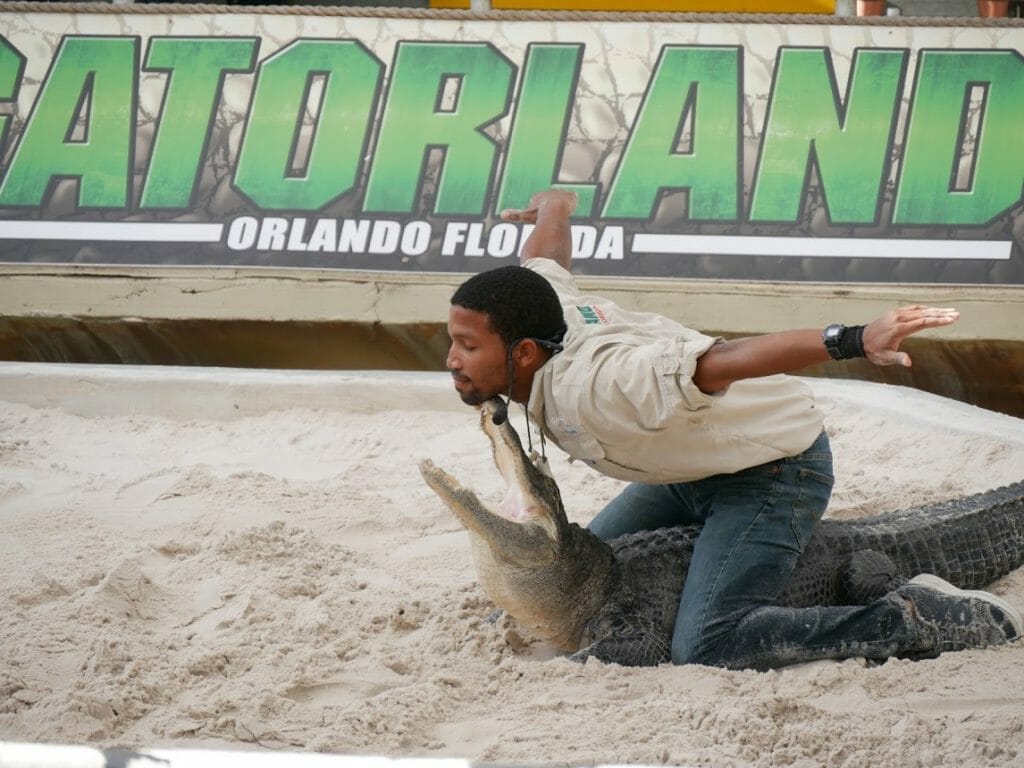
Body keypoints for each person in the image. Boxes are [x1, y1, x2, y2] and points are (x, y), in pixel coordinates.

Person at [445, 188, 1021, 670]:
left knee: (708, 644)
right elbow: (544, 268)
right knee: (588, 573)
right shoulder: (544, 315)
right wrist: (555, 209)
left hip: (774, 468)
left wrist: (853, 339)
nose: (451, 358)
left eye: (467, 346)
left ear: (522, 353)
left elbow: (724, 359)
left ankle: (912, 617)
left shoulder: (605, 384)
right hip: (691, 466)